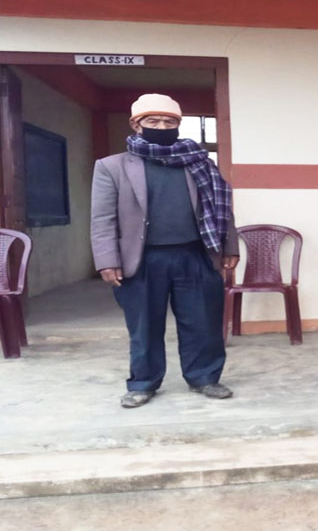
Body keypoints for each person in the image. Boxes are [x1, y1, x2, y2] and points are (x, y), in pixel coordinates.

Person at [91, 93, 239, 409]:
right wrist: (106, 260)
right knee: (144, 326)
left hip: (196, 255)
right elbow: (102, 218)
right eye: (153, 121)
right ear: (136, 125)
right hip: (141, 259)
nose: (162, 126)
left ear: (178, 124)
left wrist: (229, 246)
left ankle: (204, 377)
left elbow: (222, 208)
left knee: (203, 323)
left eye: (169, 121)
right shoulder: (111, 167)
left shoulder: (199, 162)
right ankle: (143, 383)